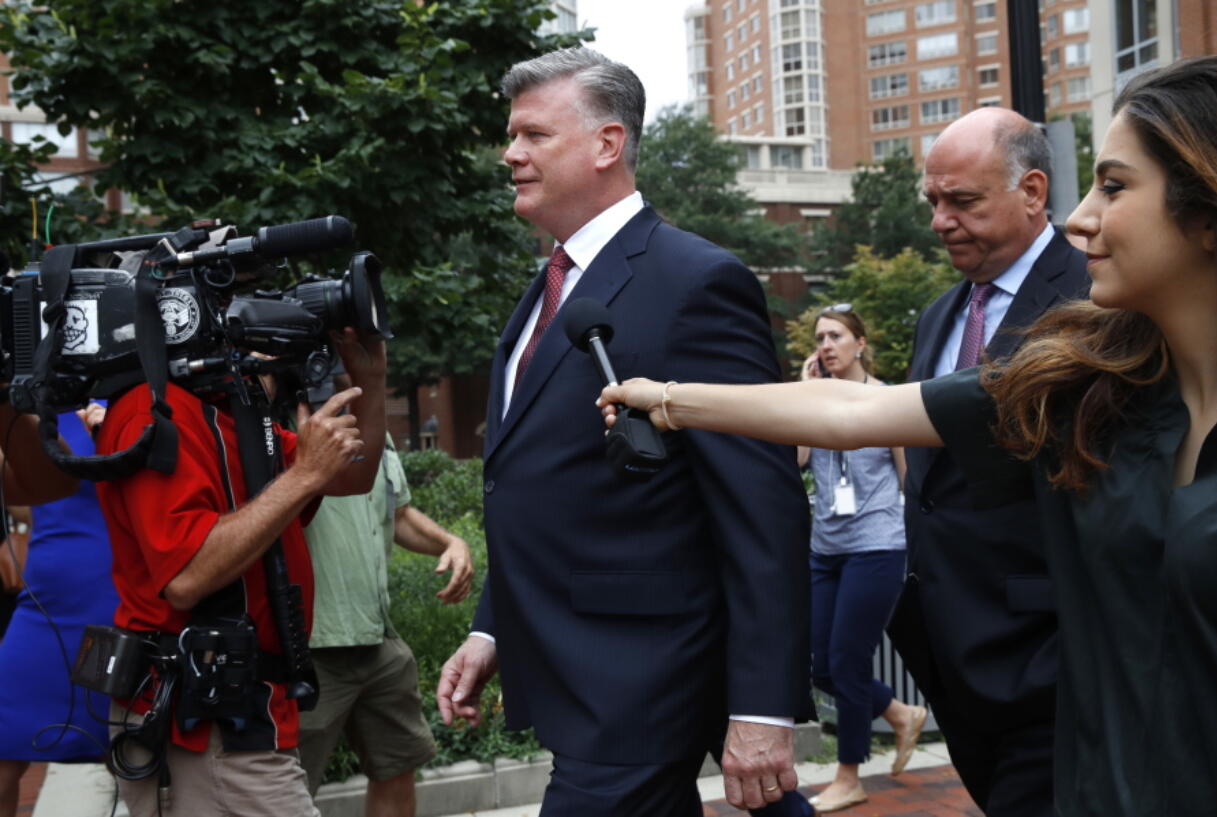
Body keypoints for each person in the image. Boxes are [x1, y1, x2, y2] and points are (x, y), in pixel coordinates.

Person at [600, 55, 1217, 817]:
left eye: (1115, 186)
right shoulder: (1086, 381)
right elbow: (858, 411)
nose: (1080, 216)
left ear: (1207, 211)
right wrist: (666, 398)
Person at [434, 48, 814, 817]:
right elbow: (542, 483)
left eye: (533, 135)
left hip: (645, 674)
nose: (510, 154)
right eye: (512, 136)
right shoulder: (550, 288)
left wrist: (765, 708)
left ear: (607, 145)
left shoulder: (695, 282)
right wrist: (492, 627)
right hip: (581, 667)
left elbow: (761, 504)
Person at [885, 106, 1090, 817]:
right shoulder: (941, 313)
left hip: (1054, 664)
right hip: (955, 659)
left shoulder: (1096, 297)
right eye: (933, 201)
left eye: (962, 201)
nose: (941, 220)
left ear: (1032, 191)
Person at [94, 326, 386, 817]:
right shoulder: (155, 410)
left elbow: (353, 475)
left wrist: (370, 380)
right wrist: (302, 476)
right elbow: (186, 577)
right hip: (198, 721)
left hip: (242, 710)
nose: (267, 346)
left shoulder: (234, 415)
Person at [296, 421, 473, 817]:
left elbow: (399, 514)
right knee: (280, 792)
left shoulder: (373, 427)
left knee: (397, 771)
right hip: (308, 648)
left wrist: (451, 541)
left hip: (379, 640)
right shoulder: (283, 417)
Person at [796, 308, 927, 813]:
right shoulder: (815, 399)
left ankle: (849, 775)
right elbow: (798, 460)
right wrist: (804, 396)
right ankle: (898, 713)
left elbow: (907, 479)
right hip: (825, 549)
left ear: (860, 343)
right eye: (819, 339)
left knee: (847, 663)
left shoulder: (886, 400)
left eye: (835, 336)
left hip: (877, 546)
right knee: (820, 665)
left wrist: (917, 548)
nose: (826, 346)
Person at [0, 406, 114, 817]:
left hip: (112, 603)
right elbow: (18, 498)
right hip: (45, 607)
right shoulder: (32, 401)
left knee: (128, 749)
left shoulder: (136, 391)